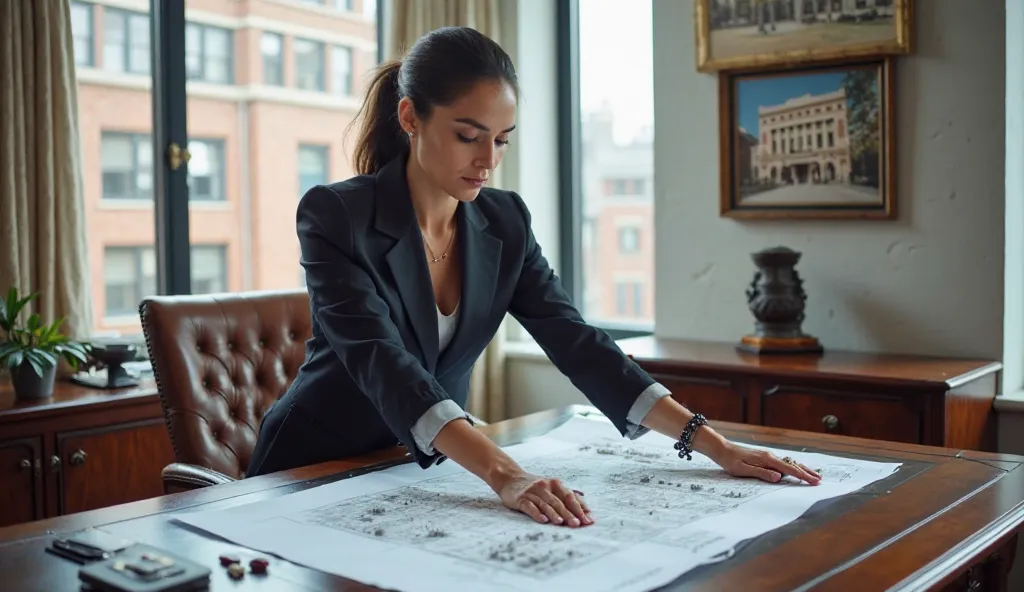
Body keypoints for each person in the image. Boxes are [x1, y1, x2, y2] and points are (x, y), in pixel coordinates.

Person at [247, 26, 820, 528]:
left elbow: (578, 342)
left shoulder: (505, 220)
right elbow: (380, 359)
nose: (487, 160)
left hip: (420, 473)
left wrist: (711, 444)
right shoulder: (336, 215)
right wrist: (507, 475)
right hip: (313, 465)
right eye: (468, 136)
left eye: (500, 140)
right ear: (409, 117)